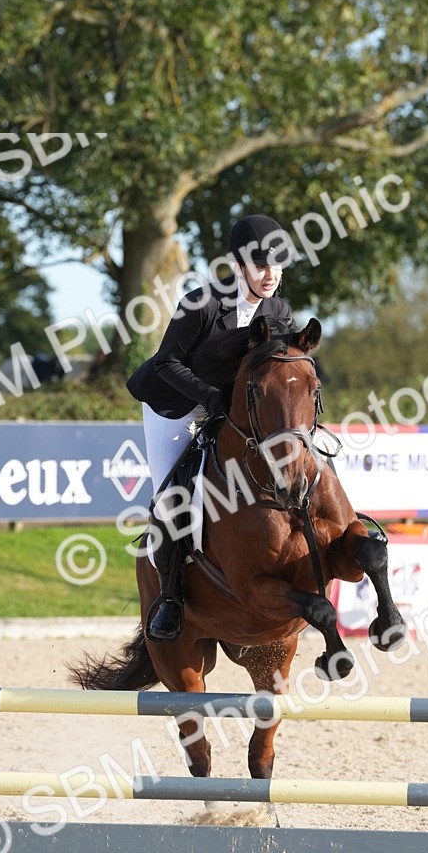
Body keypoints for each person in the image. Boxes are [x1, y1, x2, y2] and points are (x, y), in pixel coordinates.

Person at [127, 213, 298, 642]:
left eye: (277, 265)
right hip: (176, 407)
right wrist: (207, 397)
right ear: (238, 265)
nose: (270, 275)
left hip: (229, 409)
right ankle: (167, 597)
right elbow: (166, 363)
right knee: (172, 500)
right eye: (260, 265)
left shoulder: (279, 309)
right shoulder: (200, 303)